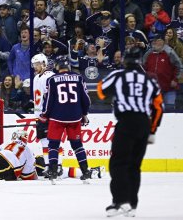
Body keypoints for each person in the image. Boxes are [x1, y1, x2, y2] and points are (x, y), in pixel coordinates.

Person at [97, 47, 164, 217]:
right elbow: (158, 107)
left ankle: (120, 201)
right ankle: (132, 204)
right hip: (143, 123)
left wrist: (118, 95)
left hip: (126, 122)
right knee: (135, 166)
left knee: (118, 163)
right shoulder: (149, 80)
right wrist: (152, 130)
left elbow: (101, 91)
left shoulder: (118, 75)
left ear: (125, 60)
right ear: (140, 61)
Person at [40, 55, 91, 184]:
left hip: (57, 117)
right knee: (77, 145)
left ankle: (52, 171)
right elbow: (86, 99)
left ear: (57, 66)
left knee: (53, 145)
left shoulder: (52, 79)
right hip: (75, 117)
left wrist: (44, 115)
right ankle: (85, 172)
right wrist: (84, 114)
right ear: (68, 66)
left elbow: (49, 100)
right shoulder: (79, 78)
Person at [31, 53, 56, 175]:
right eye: (34, 65)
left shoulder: (50, 76)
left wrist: (47, 113)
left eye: (37, 64)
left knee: (53, 141)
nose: (35, 67)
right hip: (39, 116)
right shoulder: (36, 78)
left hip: (48, 115)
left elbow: (51, 96)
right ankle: (48, 166)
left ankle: (56, 165)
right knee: (44, 141)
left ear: (44, 64)